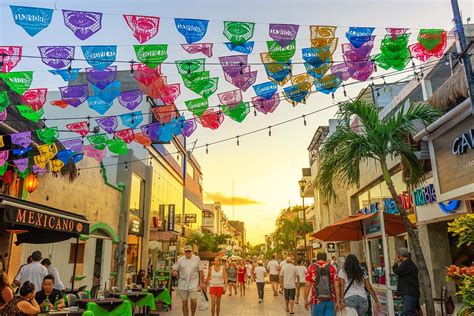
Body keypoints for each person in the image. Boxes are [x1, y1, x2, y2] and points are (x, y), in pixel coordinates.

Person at [171, 245, 204, 316]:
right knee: (184, 302)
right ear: (184, 252)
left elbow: (201, 271)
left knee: (193, 301)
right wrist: (174, 273)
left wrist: (201, 282)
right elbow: (173, 269)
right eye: (186, 251)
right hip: (183, 284)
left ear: (192, 251)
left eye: (189, 251)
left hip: (193, 283)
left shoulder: (197, 259)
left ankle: (192, 314)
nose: (188, 252)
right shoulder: (180, 260)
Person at [304, 252, 341, 316]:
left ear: (317, 259)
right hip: (330, 299)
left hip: (316, 300)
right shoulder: (331, 268)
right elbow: (337, 285)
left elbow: (307, 285)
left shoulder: (311, 267)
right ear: (326, 258)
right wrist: (338, 300)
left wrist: (305, 299)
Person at [393, 247, 420, 316]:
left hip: (410, 292)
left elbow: (397, 271)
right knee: (411, 311)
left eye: (397, 255)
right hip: (410, 291)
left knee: (408, 311)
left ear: (400, 255)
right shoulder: (407, 263)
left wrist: (395, 262)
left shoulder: (407, 263)